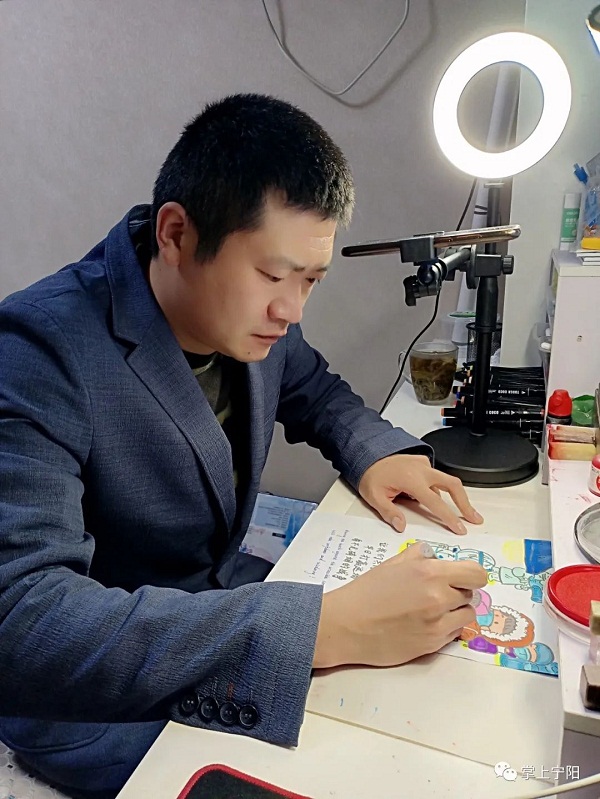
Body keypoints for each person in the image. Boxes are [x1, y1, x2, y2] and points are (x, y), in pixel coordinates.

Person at [0, 93, 486, 798]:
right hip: (96, 692)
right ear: (175, 234)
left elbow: (314, 390)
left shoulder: (257, 319)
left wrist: (378, 451)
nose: (291, 309)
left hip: (221, 596)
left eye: (311, 280)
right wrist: (320, 629)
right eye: (272, 275)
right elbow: (23, 621)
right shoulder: (39, 348)